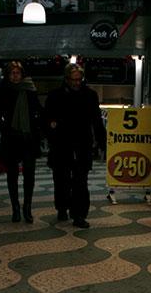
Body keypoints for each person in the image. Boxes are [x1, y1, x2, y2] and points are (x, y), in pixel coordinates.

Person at [44, 64, 105, 228]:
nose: (77, 83)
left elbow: (96, 120)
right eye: (74, 80)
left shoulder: (90, 95)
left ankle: (79, 214)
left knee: (80, 181)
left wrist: (101, 141)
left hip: (82, 143)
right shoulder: (55, 96)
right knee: (61, 179)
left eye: (79, 79)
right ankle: (62, 207)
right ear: (66, 79)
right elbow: (47, 119)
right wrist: (51, 132)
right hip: (61, 144)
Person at [0, 60, 42, 223]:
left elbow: (39, 111)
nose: (15, 76)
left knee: (29, 173)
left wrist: (37, 129)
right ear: (8, 75)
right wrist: (7, 129)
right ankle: (16, 208)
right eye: (12, 73)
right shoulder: (3, 92)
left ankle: (27, 207)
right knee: (12, 175)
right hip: (12, 139)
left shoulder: (30, 91)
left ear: (22, 74)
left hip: (28, 138)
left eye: (17, 73)